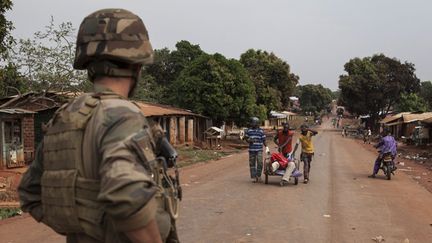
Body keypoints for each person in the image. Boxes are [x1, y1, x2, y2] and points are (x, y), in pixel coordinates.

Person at [18, 9, 180, 243]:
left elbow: (30, 192)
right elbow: (125, 194)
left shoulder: (66, 116)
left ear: (89, 66)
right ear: (137, 66)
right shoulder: (122, 115)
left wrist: (82, 224)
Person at [244, 117, 269, 183]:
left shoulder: (261, 131)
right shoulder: (249, 131)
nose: (252, 124)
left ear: (256, 123)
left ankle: (258, 176)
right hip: (251, 150)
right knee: (252, 164)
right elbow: (246, 138)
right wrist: (249, 140)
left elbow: (264, 140)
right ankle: (254, 177)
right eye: (252, 122)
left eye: (253, 122)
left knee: (260, 163)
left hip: (259, 149)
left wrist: (267, 147)